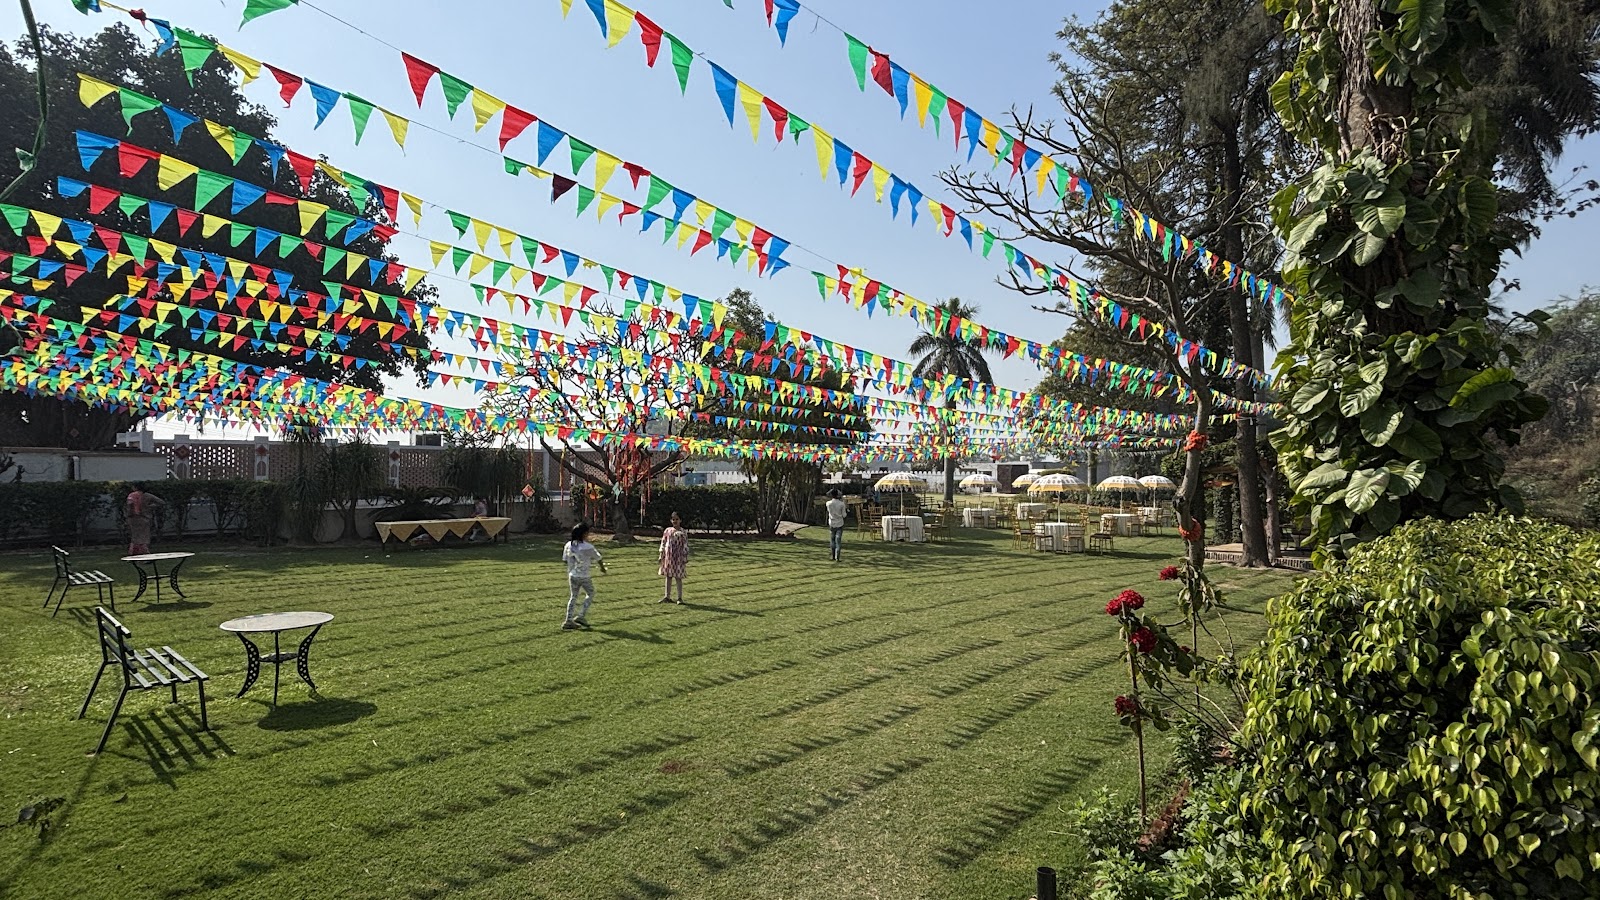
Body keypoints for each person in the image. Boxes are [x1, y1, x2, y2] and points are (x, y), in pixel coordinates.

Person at [561, 523, 607, 630]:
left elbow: (564, 560)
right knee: (591, 593)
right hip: (584, 576)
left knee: (573, 596)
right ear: (584, 534)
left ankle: (568, 620)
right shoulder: (588, 547)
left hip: (572, 575)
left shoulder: (568, 545)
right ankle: (581, 615)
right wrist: (602, 568)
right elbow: (598, 558)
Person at [124, 482, 166, 555]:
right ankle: (144, 552)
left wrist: (128, 515)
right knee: (144, 536)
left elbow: (129, 506)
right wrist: (150, 506)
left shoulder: (132, 496)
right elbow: (161, 502)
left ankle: (134, 553)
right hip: (145, 518)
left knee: (135, 536)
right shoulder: (147, 496)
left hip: (133, 518)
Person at [658, 511, 689, 604]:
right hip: (669, 556)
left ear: (680, 520)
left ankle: (679, 598)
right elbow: (663, 542)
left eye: (677, 519)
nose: (675, 521)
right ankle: (667, 596)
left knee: (678, 576)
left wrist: (685, 556)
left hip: (678, 557)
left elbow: (685, 545)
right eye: (673, 519)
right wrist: (661, 554)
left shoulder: (683, 532)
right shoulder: (667, 530)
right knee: (668, 576)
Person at [826, 489, 848, 562]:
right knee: (838, 540)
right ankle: (837, 557)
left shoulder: (828, 503)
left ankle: (832, 556)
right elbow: (844, 515)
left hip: (832, 522)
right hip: (839, 523)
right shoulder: (841, 504)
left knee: (832, 540)